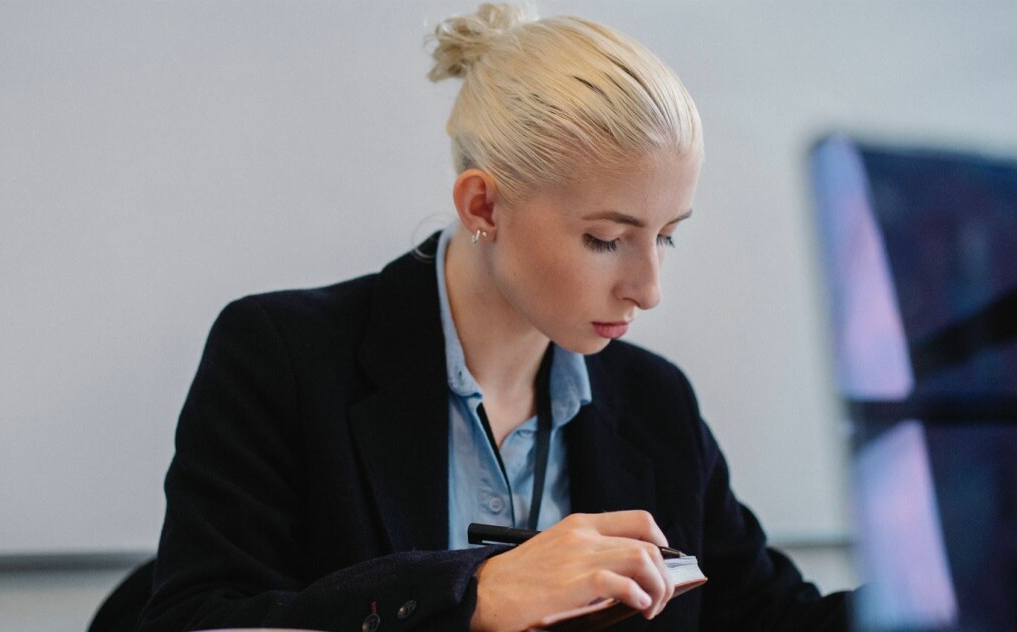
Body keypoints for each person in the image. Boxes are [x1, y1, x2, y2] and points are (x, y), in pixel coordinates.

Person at [137, 4, 850, 631]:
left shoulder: (656, 403)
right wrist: (469, 595)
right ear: (483, 206)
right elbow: (198, 621)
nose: (648, 290)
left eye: (666, 236)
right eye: (607, 238)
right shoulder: (281, 358)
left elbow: (772, 617)